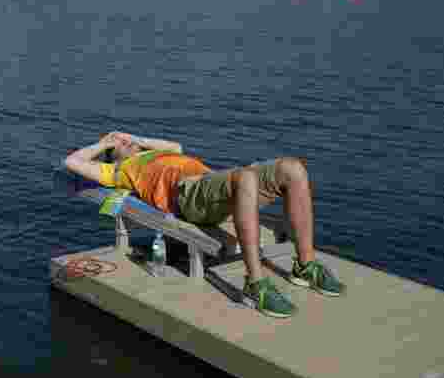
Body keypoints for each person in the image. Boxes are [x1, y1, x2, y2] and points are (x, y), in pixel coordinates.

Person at [64, 132, 345, 318]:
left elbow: (174, 146)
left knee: (293, 168)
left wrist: (133, 137)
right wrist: (104, 145)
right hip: (188, 196)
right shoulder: (117, 170)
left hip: (215, 188)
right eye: (120, 146)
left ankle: (305, 266)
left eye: (129, 141)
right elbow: (72, 161)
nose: (126, 143)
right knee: (245, 177)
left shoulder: (163, 154)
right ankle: (255, 283)